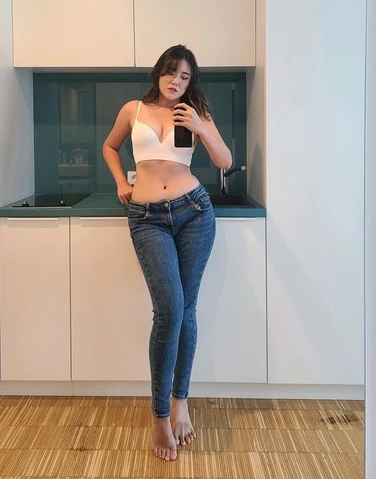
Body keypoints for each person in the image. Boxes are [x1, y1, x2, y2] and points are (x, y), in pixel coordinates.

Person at [102, 44, 232, 461]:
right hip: (147, 218)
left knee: (186, 310)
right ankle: (159, 416)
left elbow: (225, 160)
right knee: (170, 311)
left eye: (185, 77)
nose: (177, 81)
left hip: (194, 211)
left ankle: (180, 403)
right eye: (171, 72)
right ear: (159, 73)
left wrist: (200, 125)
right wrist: (121, 182)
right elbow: (109, 147)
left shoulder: (194, 112)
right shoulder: (133, 110)